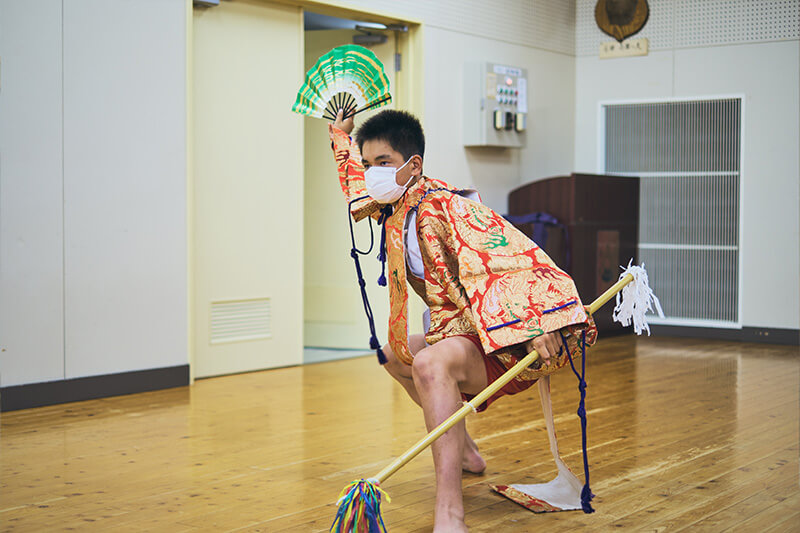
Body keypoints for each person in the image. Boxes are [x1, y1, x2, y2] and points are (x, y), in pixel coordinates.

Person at [329, 108, 595, 532]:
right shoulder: (392, 205)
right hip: (453, 334)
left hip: (497, 343)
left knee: (429, 364)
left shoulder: (449, 207)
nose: (371, 174)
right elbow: (355, 189)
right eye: (368, 164)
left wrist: (535, 327)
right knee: (394, 354)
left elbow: (514, 260)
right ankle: (465, 446)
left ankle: (450, 511)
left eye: (383, 163)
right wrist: (340, 139)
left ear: (412, 166)